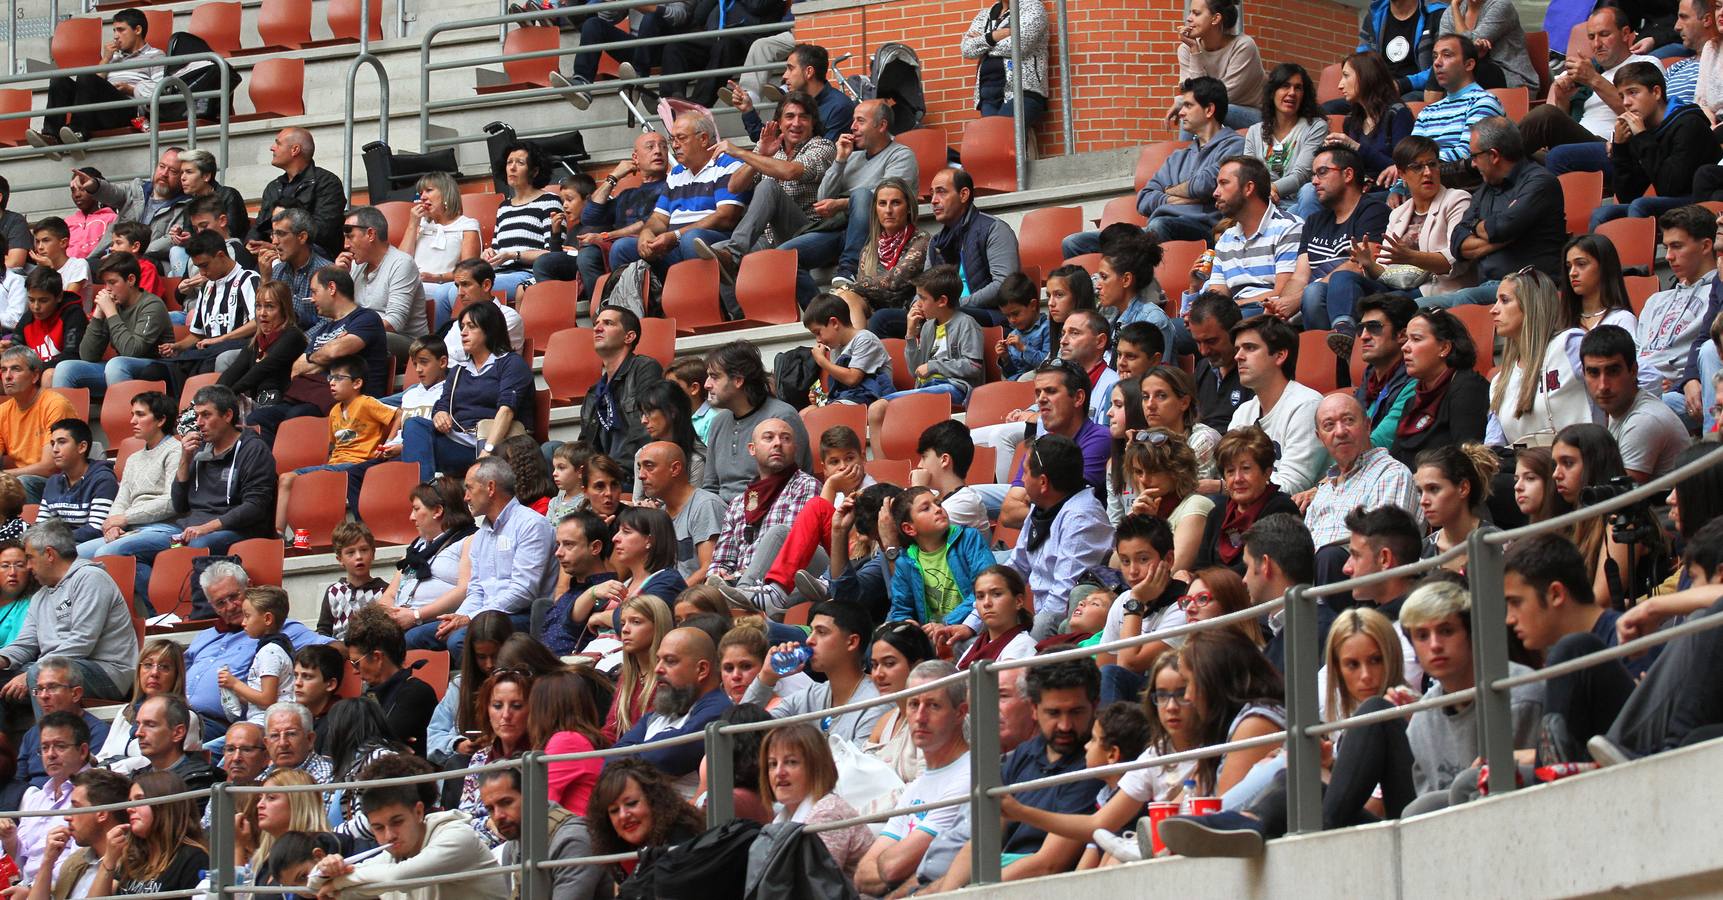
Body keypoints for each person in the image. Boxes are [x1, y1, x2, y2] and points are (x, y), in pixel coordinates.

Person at [1067, 77, 1246, 257]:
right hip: (1156, 228)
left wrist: (1168, 190)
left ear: (1209, 110)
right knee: (1074, 243)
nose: (1181, 113)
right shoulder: (1177, 157)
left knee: (1159, 226)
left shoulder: (1235, 145)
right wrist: (1180, 197)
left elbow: (1203, 185)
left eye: (1188, 106)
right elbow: (1144, 198)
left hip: (1203, 230)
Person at [1501, 533, 1636, 761]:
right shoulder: (1559, 652)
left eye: (1516, 603)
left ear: (1555, 594)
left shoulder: (1630, 638)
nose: (1509, 619)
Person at [408, 457, 555, 654]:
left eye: (469, 488)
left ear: (491, 488)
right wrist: (457, 617)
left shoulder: (531, 525)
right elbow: (476, 589)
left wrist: (470, 619)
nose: (466, 497)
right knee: (412, 638)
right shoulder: (480, 534)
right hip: (483, 616)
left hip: (521, 615)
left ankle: (484, 684)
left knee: (460, 640)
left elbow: (522, 592)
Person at [309, 754, 506, 899]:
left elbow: (398, 876)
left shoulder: (457, 836)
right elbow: (316, 888)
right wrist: (326, 870)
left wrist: (339, 880)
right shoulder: (388, 858)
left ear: (419, 812)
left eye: (397, 822)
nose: (389, 835)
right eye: (378, 827)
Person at [1421, 118, 1565, 311]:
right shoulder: (1485, 190)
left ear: (1494, 155)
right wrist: (1496, 232)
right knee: (1413, 307)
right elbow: (1457, 243)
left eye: (1474, 156)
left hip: (1530, 287)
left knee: (1465, 300)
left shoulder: (1540, 183)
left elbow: (1502, 227)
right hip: (1487, 288)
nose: (1472, 164)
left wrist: (1482, 226)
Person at [854, 660, 970, 897]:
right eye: (913, 704)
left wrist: (895, 867)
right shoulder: (917, 786)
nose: (920, 717)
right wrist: (905, 867)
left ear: (960, 712)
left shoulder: (968, 774)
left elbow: (891, 866)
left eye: (933, 705)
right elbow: (863, 876)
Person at [697, 91, 836, 269]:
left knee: (768, 186)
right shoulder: (771, 150)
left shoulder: (822, 146)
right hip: (768, 237)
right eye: (790, 116)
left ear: (812, 122)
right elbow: (734, 186)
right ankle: (733, 266)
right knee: (715, 254)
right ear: (779, 122)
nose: (796, 123)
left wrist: (740, 152)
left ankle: (734, 252)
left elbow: (791, 172)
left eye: (804, 117)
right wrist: (760, 154)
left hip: (805, 233)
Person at [786, 100, 919, 282]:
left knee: (862, 194)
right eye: (853, 121)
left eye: (860, 121)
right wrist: (840, 160)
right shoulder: (852, 157)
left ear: (882, 125)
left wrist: (842, 204)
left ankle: (849, 268)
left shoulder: (902, 155)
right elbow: (823, 197)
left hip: (877, 234)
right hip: (838, 231)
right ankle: (816, 307)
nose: (852, 127)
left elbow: (889, 198)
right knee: (784, 257)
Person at [1518, 7, 1658, 180]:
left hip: (1612, 148)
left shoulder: (1644, 64)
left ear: (1625, 33)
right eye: (1591, 37)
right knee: (1517, 162)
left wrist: (1593, 79)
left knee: (1544, 117)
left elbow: (1643, 117)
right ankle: (1485, 167)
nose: (1597, 44)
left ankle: (1481, 165)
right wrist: (1563, 100)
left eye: (1604, 34)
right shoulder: (1594, 73)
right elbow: (1561, 126)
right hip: (1576, 146)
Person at [0, 522, 134, 701]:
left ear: (49, 554)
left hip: (106, 671)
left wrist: (36, 670)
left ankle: (50, 730)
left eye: (30, 558)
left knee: (43, 676)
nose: (29, 566)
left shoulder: (90, 579)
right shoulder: (40, 596)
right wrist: (3, 659)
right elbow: (26, 643)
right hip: (53, 667)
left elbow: (82, 641)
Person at [402, 301, 532, 483]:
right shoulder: (458, 370)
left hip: (497, 444)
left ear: (489, 330)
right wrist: (440, 413)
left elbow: (507, 410)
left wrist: (488, 449)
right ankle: (425, 492)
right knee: (414, 425)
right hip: (461, 443)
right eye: (462, 326)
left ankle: (424, 497)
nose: (463, 333)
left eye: (471, 327)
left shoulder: (511, 363)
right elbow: (443, 402)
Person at [258, 266, 387, 443]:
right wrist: (325, 356)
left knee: (298, 417)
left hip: (349, 400)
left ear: (332, 288)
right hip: (309, 396)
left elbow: (336, 351)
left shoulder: (366, 318)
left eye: (314, 292)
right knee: (259, 418)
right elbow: (297, 368)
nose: (312, 299)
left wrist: (322, 355)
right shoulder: (324, 329)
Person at [610, 114, 748, 275]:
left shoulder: (729, 164)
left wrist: (676, 236)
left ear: (703, 139)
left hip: (712, 240)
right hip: (673, 244)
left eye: (680, 138)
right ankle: (642, 300)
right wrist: (647, 233)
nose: (674, 146)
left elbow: (726, 217)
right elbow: (659, 218)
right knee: (621, 248)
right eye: (672, 139)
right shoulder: (676, 173)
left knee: (692, 240)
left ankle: (705, 299)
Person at [1007, 433, 1114, 638]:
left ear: (1043, 482)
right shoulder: (1042, 506)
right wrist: (972, 622)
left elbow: (1061, 601)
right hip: (1042, 616)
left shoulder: (1081, 517)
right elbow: (1014, 569)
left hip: (1067, 626)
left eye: (1026, 472)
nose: (1022, 478)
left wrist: (1025, 647)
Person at [1281, 144, 1391, 338]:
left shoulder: (1373, 211)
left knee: (1313, 293)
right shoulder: (1314, 221)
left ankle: (1337, 352)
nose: (1314, 181)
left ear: (1348, 174)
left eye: (1322, 173)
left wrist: (1298, 299)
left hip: (1361, 296)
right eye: (1313, 175)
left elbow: (1362, 265)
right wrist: (1282, 305)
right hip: (1313, 302)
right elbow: (1299, 276)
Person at [610, 626, 731, 798]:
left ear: (702, 669)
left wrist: (631, 756)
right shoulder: (658, 714)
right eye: (658, 660)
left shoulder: (719, 710)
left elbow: (663, 757)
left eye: (670, 661)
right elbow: (610, 761)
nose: (658, 668)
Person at [1591, 62, 1716, 227]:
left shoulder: (1689, 124)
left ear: (1656, 92)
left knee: (1641, 206)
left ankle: (1634, 253)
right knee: (1602, 213)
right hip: (1672, 199)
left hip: (1701, 200)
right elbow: (1627, 196)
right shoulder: (1640, 130)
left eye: (1633, 92)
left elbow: (1671, 187)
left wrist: (1643, 137)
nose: (1626, 103)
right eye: (1622, 96)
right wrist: (1620, 148)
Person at [866, 268, 986, 437]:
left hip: (955, 388)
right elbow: (915, 370)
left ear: (942, 301)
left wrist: (933, 366)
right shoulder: (928, 327)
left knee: (880, 407)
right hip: (927, 386)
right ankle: (882, 464)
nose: (918, 304)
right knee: (876, 409)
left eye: (922, 298)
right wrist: (910, 335)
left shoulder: (966, 324)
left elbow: (973, 366)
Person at [746, 600, 886, 742]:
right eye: (811, 631)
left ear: (851, 642)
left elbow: (857, 764)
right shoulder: (811, 695)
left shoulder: (875, 704)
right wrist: (766, 677)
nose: (809, 640)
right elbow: (742, 734)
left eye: (821, 632)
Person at [1487, 268, 1595, 447]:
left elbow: (1637, 378)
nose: (1493, 310)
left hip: (1581, 464)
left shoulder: (1569, 345)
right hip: (1521, 471)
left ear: (1531, 304)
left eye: (1504, 300)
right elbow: (1493, 446)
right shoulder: (1499, 381)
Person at [27, 9, 163, 150]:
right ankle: (51, 135)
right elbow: (91, 86)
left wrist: (131, 89)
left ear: (138, 30)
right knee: (59, 79)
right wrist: (106, 58)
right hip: (101, 110)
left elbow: (160, 91)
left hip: (128, 111)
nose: (116, 36)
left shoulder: (156, 55)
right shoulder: (113, 57)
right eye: (114, 31)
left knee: (86, 76)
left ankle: (78, 131)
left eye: (121, 30)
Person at [562, 132, 671, 304]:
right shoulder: (627, 194)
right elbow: (589, 216)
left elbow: (649, 222)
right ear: (635, 157)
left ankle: (618, 308)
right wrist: (613, 177)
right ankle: (604, 306)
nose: (658, 151)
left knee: (613, 248)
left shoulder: (672, 185)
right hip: (617, 246)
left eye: (664, 146)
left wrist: (606, 236)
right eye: (650, 147)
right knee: (578, 256)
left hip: (648, 244)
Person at [1303, 393, 1418, 553]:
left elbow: (1386, 551)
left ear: (1367, 425)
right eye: (1329, 425)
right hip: (1317, 573)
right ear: (1320, 438)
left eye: (1348, 420)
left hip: (1361, 574)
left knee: (1330, 556)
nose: (1340, 432)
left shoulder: (1391, 475)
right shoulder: (1324, 491)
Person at [701, 341, 812, 502]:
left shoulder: (781, 417)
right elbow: (710, 487)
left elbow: (790, 484)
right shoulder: (718, 422)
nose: (707, 384)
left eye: (714, 377)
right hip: (724, 516)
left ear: (738, 380)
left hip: (770, 510)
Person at [479, 766, 612, 900]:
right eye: (490, 809)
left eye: (506, 802)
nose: (497, 816)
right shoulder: (512, 845)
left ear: (532, 795)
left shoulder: (573, 841)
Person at [1226, 315, 1325, 493]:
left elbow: (1292, 486)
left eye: (1249, 348)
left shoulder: (1306, 405)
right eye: (1237, 349)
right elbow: (1227, 472)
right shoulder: (1243, 412)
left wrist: (1223, 488)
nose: (1238, 357)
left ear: (1280, 355)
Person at [1580, 325, 1691, 482]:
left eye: (1613, 371)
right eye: (1593, 373)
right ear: (1583, 374)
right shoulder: (1619, 408)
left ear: (1633, 371)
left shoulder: (1644, 420)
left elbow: (1622, 500)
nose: (1603, 385)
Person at [914, 168, 1020, 328]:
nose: (934, 200)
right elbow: (924, 288)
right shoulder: (935, 242)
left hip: (991, 314)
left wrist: (955, 305)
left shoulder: (993, 229)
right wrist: (917, 306)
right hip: (944, 312)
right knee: (884, 320)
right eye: (932, 194)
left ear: (963, 194)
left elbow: (1004, 285)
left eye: (941, 192)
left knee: (954, 316)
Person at [0, 656, 110, 809]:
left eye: (52, 687)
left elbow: (91, 780)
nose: (44, 696)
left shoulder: (98, 731)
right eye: (39, 689)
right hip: (30, 807)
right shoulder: (32, 734)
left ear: (76, 693)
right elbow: (18, 780)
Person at [52, 252, 172, 392]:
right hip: (119, 369)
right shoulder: (113, 305)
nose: (107, 289)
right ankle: (65, 414)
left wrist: (110, 312)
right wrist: (98, 314)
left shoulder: (152, 305)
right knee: (65, 368)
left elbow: (132, 351)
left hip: (154, 367)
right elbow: (88, 355)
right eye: (105, 283)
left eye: (113, 282)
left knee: (116, 364)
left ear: (131, 280)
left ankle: (126, 413)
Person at [1636, 205, 1717, 406]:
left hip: (1682, 394)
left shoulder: (1717, 295)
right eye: (1667, 247)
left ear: (1706, 246)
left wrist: (1681, 382)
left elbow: (1712, 354)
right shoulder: (1655, 300)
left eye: (1677, 246)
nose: (1669, 256)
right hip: (1637, 385)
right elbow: (1637, 352)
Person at [1192, 426, 1300, 573]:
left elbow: (1261, 568)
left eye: (1246, 468)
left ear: (1267, 473)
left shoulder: (1281, 509)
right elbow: (1201, 567)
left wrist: (1213, 584)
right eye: (1230, 471)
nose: (1237, 479)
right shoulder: (1217, 513)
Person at [1389, 309, 1489, 467]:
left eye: (1416, 339)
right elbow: (1395, 463)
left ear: (1444, 348)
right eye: (1407, 339)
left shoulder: (1468, 388)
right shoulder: (1412, 402)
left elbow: (1469, 461)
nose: (1404, 347)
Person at [377, 476, 477, 634]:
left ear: (437, 511)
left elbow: (465, 589)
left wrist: (415, 616)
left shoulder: (469, 540)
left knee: (411, 638)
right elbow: (390, 594)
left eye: (416, 509)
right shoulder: (415, 547)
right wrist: (388, 616)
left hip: (433, 621)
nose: (411, 517)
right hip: (401, 622)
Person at [87, 772, 209, 897]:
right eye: (129, 802)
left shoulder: (194, 858)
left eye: (140, 799)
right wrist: (109, 859)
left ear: (165, 805)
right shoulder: (133, 855)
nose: (129, 808)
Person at [1405, 35, 1506, 185]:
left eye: (1447, 55)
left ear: (1469, 64)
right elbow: (1410, 154)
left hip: (1463, 186)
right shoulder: (1428, 111)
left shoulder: (1483, 102)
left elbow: (1467, 153)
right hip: (1423, 184)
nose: (1437, 63)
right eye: (1435, 56)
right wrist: (1397, 189)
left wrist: (1418, 165)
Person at [827, 176, 928, 326]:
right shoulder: (869, 250)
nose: (888, 210)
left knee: (874, 315)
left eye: (896, 203)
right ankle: (860, 347)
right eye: (882, 203)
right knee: (846, 298)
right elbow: (864, 294)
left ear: (908, 208)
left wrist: (849, 286)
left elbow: (893, 282)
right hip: (875, 316)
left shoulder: (921, 240)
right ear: (875, 209)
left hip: (911, 316)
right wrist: (846, 293)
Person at [585, 758, 706, 883]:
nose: (623, 815)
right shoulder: (619, 852)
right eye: (614, 810)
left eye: (631, 803)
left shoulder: (682, 841)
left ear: (654, 801)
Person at [25, 766, 130, 899]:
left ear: (102, 814)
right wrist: (48, 861)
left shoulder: (133, 863)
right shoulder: (74, 862)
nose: (67, 817)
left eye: (76, 806)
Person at [345, 606, 437, 756]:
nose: (354, 671)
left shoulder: (417, 692)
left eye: (356, 663)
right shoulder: (368, 697)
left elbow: (382, 743)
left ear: (377, 657)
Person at [339, 206, 429, 359]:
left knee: (354, 341)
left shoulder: (401, 263)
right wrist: (339, 278)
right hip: (359, 332)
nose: (345, 245)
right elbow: (338, 313)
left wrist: (354, 331)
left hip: (406, 340)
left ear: (370, 234)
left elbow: (395, 322)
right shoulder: (354, 265)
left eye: (350, 237)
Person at [579, 305, 663, 466]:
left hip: (634, 468)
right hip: (604, 474)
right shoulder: (593, 392)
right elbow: (586, 444)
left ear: (629, 337)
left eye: (608, 323)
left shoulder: (644, 368)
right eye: (596, 323)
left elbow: (648, 425)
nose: (597, 328)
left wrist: (614, 469)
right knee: (552, 451)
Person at [1244, 62, 1329, 219]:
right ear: (1272, 92)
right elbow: (1249, 174)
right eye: (1285, 86)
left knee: (1309, 190)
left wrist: (1273, 188)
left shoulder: (1315, 127)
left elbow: (1301, 174)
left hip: (1297, 204)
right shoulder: (1254, 132)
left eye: (1298, 88)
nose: (1292, 93)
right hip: (1264, 203)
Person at [215, 281, 307, 426]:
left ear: (284, 310)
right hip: (258, 404)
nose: (262, 313)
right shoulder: (257, 340)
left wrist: (228, 396)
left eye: (270, 306)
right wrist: (214, 395)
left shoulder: (292, 336)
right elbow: (234, 371)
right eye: (258, 306)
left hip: (280, 404)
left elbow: (262, 369)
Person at [404, 173, 483, 327]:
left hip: (442, 285)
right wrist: (413, 224)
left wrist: (435, 277)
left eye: (429, 190)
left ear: (446, 193)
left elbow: (468, 272)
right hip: (413, 284)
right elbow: (402, 261)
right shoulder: (420, 226)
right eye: (421, 193)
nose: (423, 197)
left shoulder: (467, 226)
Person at [1171, 0, 1263, 128]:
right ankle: (1187, 148)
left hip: (1253, 116)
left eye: (1196, 13)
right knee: (1193, 111)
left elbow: (1221, 98)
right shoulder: (1186, 49)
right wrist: (1194, 50)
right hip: (1212, 109)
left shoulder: (1243, 46)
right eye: (1190, 13)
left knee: (1199, 111)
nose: (1189, 19)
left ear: (1215, 19)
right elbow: (1193, 93)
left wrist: (1182, 102)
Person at [1326, 52, 1414, 186]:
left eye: (1346, 76)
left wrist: (1356, 147)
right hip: (1357, 189)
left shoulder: (1398, 113)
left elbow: (1401, 168)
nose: (1340, 85)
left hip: (1386, 191)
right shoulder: (1350, 120)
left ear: (1366, 76)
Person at [961, 0, 1049, 126]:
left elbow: (1020, 43)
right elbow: (967, 49)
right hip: (988, 96)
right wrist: (995, 36)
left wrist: (983, 43)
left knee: (1002, 138)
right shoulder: (985, 14)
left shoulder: (1033, 7)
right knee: (994, 142)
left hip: (1022, 91)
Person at [1414, 443, 1498, 568]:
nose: (1423, 501)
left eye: (1434, 489)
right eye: (1420, 492)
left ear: (1463, 488)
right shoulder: (1421, 553)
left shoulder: (1498, 545)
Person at [1351, 293, 1420, 446]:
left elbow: (1376, 445)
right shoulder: (1369, 379)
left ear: (1402, 335)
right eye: (1361, 328)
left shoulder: (1416, 382)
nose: (1363, 336)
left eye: (1374, 327)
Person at [36, 418, 116, 545]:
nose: (55, 449)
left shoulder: (103, 480)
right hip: (58, 546)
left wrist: (53, 540)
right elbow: (40, 527)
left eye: (62, 442)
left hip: (88, 547)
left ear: (82, 447)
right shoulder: (53, 482)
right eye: (52, 444)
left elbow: (96, 529)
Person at [254, 208, 333, 330]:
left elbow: (329, 323)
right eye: (273, 234)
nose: (274, 242)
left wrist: (296, 342)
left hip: (311, 345)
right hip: (278, 341)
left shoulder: (327, 272)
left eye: (280, 234)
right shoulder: (276, 271)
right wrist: (265, 279)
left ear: (302, 237)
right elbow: (263, 319)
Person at [1096, 233, 1173, 354]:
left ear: (1126, 280)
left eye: (1104, 277)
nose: (1097, 285)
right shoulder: (1109, 316)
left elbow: (1156, 372)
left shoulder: (1153, 320)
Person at [1188, 293, 1250, 429]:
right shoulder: (1202, 368)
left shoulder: (1254, 372)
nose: (1203, 351)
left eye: (1211, 341)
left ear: (1235, 332)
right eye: (1198, 342)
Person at [1561, 234, 1639, 334]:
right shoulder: (1563, 322)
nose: (1572, 273)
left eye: (1581, 264)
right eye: (1569, 267)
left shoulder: (1622, 320)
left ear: (1604, 267)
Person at [11, 270, 84, 374]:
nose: (36, 307)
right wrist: (7, 350)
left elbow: (72, 355)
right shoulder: (28, 317)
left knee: (49, 374)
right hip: (33, 372)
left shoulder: (73, 314)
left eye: (43, 300)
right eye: (31, 300)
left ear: (59, 297)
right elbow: (15, 348)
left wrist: (34, 369)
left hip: (62, 373)